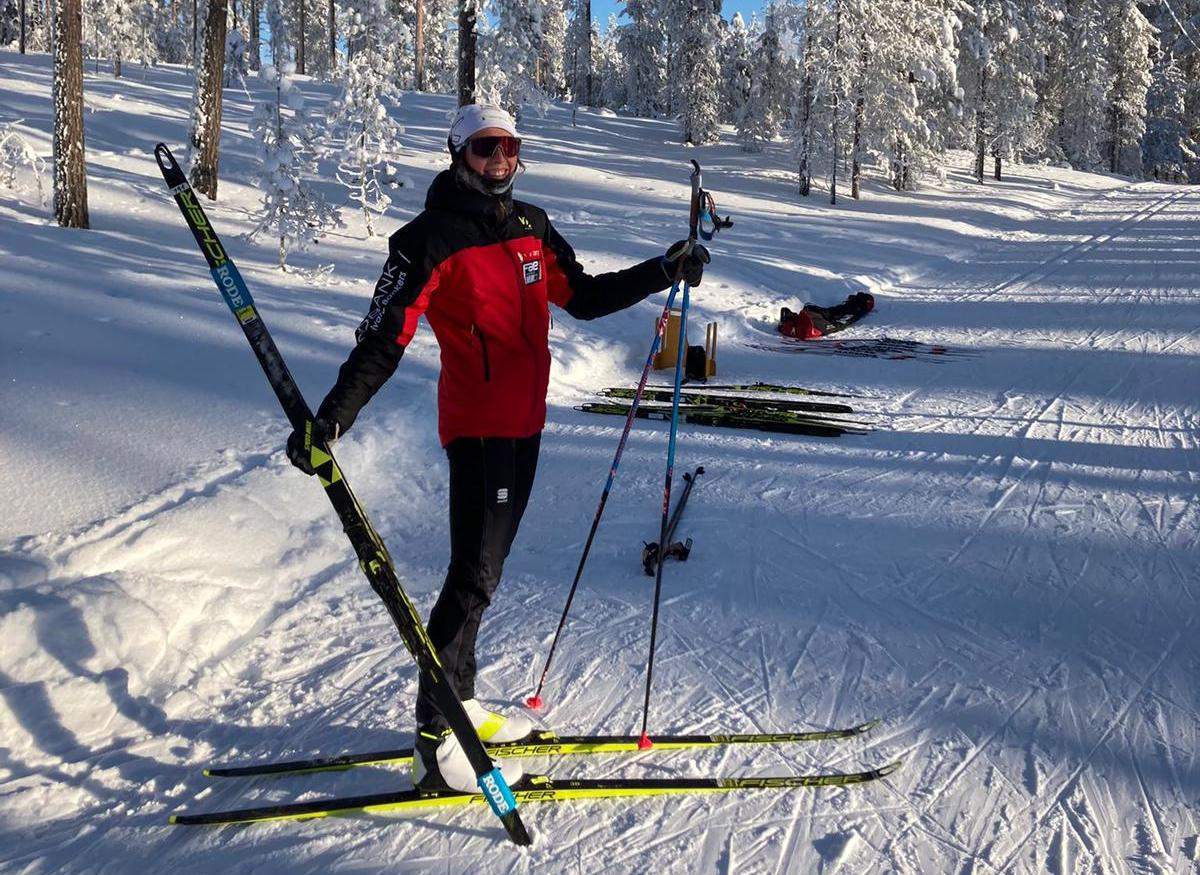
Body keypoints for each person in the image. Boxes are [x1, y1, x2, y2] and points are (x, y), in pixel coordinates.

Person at [287, 104, 710, 793]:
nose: (500, 159)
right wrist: (334, 417)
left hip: (525, 422)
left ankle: (463, 701)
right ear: (459, 153)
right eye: (486, 147)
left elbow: (586, 296)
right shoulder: (426, 241)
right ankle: (435, 739)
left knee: (486, 571)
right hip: (478, 426)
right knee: (472, 575)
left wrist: (664, 268)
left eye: (509, 147)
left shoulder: (531, 226)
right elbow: (384, 337)